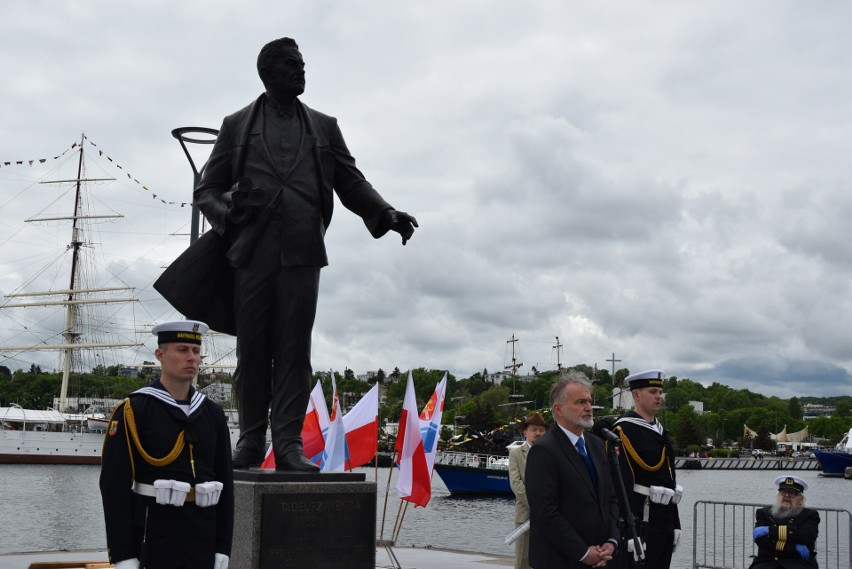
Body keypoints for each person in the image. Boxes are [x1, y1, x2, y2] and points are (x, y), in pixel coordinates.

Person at [180, 37, 417, 471]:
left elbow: (350, 181)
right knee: (252, 350)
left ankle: (288, 444)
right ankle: (250, 441)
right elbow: (206, 190)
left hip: (303, 250)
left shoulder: (324, 126)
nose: (301, 71)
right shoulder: (237, 124)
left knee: (294, 350)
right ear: (268, 74)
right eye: (292, 65)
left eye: (303, 64)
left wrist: (385, 212)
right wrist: (227, 211)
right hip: (251, 252)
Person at [99, 321, 234, 569]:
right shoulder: (134, 409)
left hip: (202, 540)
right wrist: (123, 554)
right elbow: (114, 487)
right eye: (182, 350)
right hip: (153, 540)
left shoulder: (212, 413)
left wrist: (223, 546)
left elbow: (225, 482)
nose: (192, 358)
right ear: (160, 355)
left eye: (196, 351)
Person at [526, 372, 620, 568]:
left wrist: (611, 541)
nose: (588, 408)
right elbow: (545, 513)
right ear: (558, 409)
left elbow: (610, 498)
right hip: (560, 561)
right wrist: (583, 553)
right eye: (580, 402)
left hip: (601, 558)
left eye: (589, 401)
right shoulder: (544, 450)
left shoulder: (596, 445)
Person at [612, 369, 682, 569]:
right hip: (640, 519)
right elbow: (621, 483)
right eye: (652, 391)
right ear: (636, 395)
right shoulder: (623, 430)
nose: (659, 396)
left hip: (665, 518)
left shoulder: (661, 431)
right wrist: (627, 531)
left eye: (660, 392)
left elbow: (669, 482)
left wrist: (676, 523)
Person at [749, 475, 820, 569]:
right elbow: (762, 541)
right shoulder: (764, 513)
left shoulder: (810, 515)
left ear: (800, 499)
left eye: (792, 493)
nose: (787, 496)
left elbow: (805, 536)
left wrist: (769, 530)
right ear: (778, 495)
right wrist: (793, 547)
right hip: (767, 562)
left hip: (797, 562)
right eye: (783, 492)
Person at [509, 412, 548, 569]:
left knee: (547, 558)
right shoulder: (515, 454)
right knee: (523, 561)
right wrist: (538, 505)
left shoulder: (551, 453)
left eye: (541, 430)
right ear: (525, 432)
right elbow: (516, 485)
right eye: (534, 429)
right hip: (525, 515)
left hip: (549, 516)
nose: (538, 433)